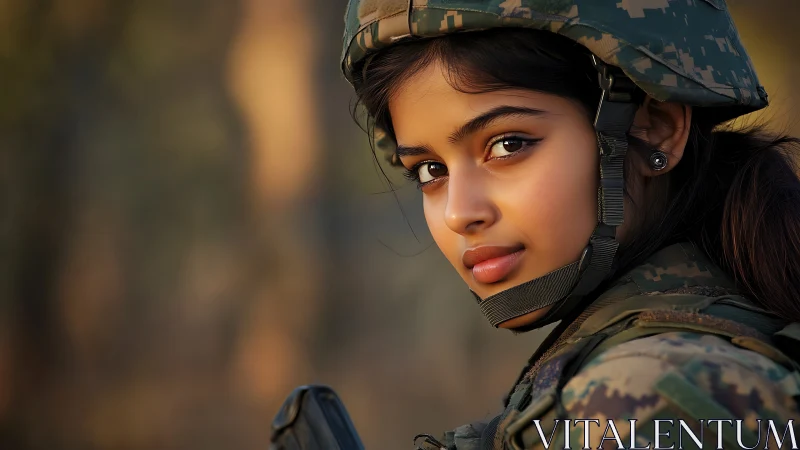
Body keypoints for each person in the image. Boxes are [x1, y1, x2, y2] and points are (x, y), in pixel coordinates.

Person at [341, 1, 800, 449]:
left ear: (655, 127)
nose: (459, 213)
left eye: (507, 144)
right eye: (430, 171)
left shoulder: (649, 396)